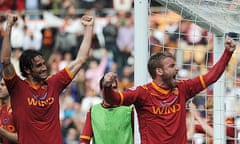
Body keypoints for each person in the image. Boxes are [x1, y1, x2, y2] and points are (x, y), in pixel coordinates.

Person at [101, 38, 236, 144]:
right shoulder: (143, 93)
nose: (177, 69)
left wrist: (227, 53)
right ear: (159, 71)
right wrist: (107, 87)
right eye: (171, 66)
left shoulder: (183, 88)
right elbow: (114, 99)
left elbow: (210, 77)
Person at [1, 14, 94, 144]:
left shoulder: (54, 83)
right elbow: (5, 60)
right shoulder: (17, 87)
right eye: (39, 66)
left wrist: (89, 28)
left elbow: (81, 60)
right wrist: (9, 26)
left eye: (44, 64)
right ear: (28, 70)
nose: (44, 68)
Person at [80, 75, 134, 144]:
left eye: (114, 88)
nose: (111, 91)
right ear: (101, 91)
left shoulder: (129, 110)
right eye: (106, 87)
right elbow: (84, 140)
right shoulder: (93, 111)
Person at [0, 78, 18, 144]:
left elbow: (24, 138)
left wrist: (2, 132)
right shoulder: (2, 109)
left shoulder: (19, 110)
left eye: (2, 85)